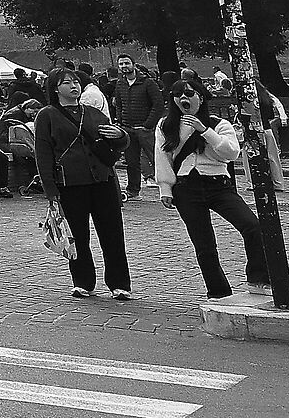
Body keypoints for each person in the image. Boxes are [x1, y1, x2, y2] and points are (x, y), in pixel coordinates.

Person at [153, 86, 270, 299]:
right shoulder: (165, 125)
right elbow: (163, 157)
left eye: (189, 94)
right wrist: (165, 188)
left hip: (218, 184)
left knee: (252, 226)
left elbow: (231, 153)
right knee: (204, 243)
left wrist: (204, 130)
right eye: (178, 95)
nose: (183, 98)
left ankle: (258, 278)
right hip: (187, 186)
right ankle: (218, 291)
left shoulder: (219, 124)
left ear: (200, 98)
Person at [35, 71, 132, 300]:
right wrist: (50, 190)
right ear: (55, 89)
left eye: (76, 82)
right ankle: (83, 281)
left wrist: (120, 135)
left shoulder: (93, 113)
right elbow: (43, 152)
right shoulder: (47, 115)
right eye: (66, 83)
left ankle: (119, 284)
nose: (73, 86)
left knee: (113, 235)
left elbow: (118, 143)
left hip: (102, 180)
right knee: (77, 236)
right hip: (69, 183)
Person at [110, 55, 163, 198]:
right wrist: (120, 121)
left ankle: (168, 187)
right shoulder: (120, 83)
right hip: (127, 128)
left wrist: (148, 125)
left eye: (126, 63)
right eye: (121, 64)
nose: (123, 66)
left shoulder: (148, 83)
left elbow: (158, 104)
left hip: (145, 129)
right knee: (131, 162)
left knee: (157, 158)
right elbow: (119, 104)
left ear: (133, 64)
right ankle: (133, 190)